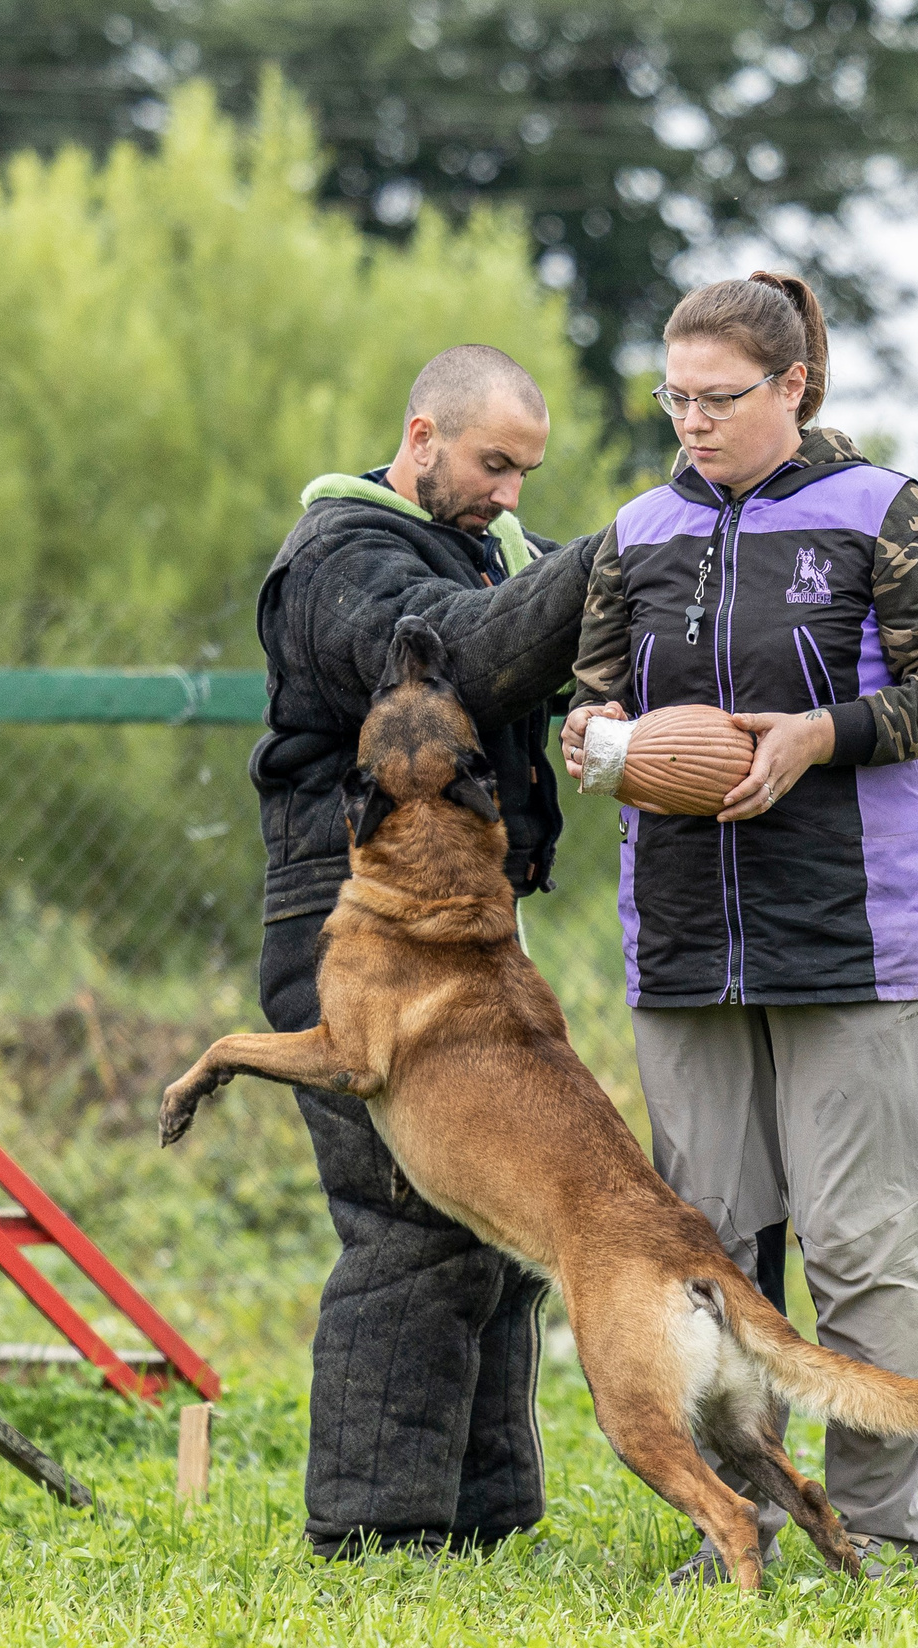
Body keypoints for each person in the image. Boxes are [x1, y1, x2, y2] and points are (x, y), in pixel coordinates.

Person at [561, 272, 918, 1581]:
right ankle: (740, 1515)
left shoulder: (881, 512)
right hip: (686, 947)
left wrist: (820, 734)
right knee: (707, 1257)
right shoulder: (635, 531)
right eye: (673, 397)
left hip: (855, 941)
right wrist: (597, 744)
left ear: (792, 386)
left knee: (860, 1246)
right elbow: (587, 704)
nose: (690, 421)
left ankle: (878, 1520)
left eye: (718, 398)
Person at [251, 344, 597, 1558]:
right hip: (351, 923)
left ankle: (487, 1516)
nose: (510, 493)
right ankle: (376, 1532)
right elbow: (462, 652)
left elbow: (548, 616)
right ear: (421, 435)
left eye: (525, 472)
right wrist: (612, 553)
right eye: (494, 464)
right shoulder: (341, 554)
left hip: (459, 925)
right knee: (408, 1225)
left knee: (503, 1227)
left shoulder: (487, 547)